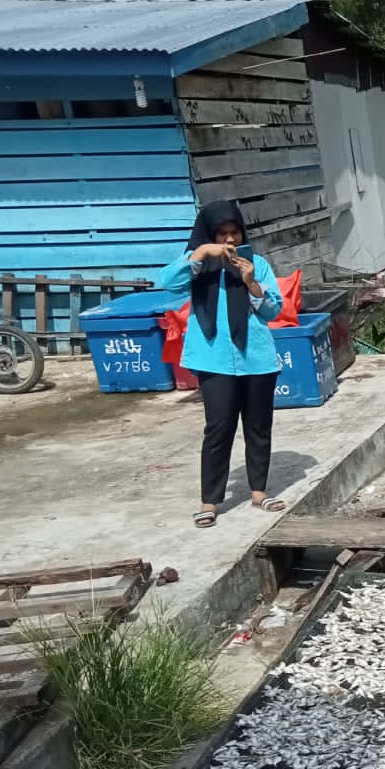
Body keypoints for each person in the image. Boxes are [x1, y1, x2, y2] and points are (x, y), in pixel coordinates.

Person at [157, 200, 285, 528]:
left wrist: (251, 282)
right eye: (221, 234)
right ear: (209, 235)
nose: (229, 240)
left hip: (256, 358)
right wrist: (199, 255)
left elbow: (273, 311)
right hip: (213, 361)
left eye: (234, 233)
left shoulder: (257, 264)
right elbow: (168, 281)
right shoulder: (198, 267)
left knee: (258, 426)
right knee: (218, 428)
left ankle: (259, 492)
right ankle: (210, 500)